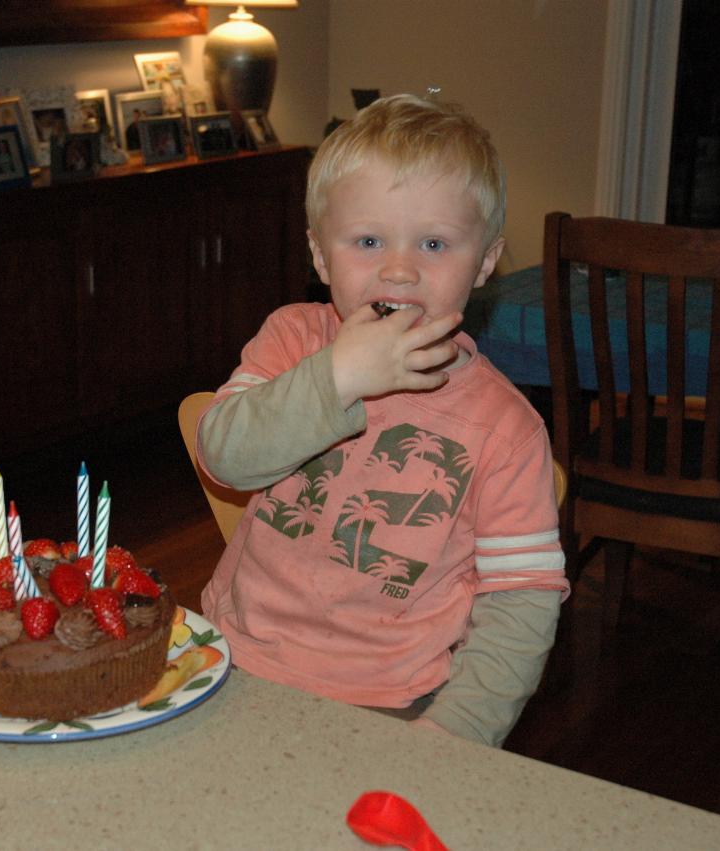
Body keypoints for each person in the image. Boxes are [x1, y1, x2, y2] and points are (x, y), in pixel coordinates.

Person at [196, 93, 569, 747]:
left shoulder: (507, 430)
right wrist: (338, 376)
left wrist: (451, 733)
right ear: (319, 256)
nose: (399, 267)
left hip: (390, 704)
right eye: (368, 240)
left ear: (484, 262)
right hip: (230, 664)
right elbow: (226, 454)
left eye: (433, 242)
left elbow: (522, 600)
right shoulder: (291, 341)